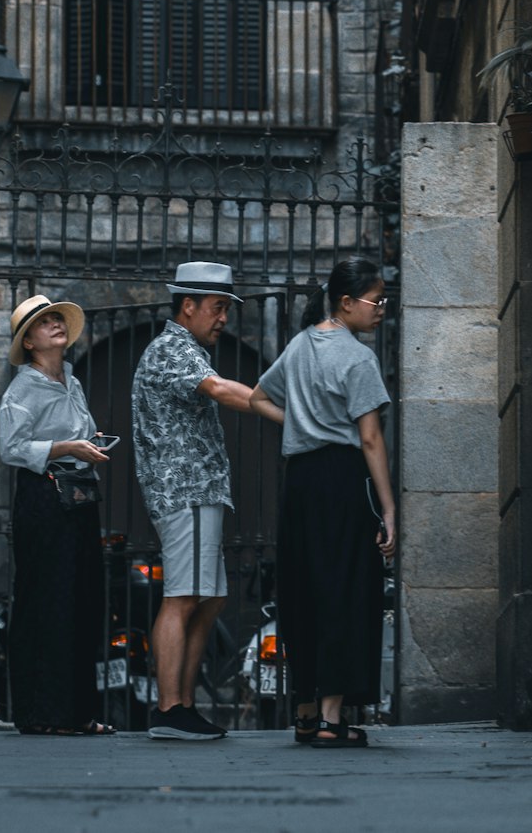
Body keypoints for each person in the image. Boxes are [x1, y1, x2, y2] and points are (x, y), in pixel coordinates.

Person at [249, 257, 396, 748]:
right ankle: (334, 718)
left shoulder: (298, 346)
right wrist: (389, 507)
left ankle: (307, 711)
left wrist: (300, 424)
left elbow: (256, 398)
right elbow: (371, 439)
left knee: (304, 588)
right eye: (376, 301)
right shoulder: (357, 358)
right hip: (341, 477)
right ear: (347, 302)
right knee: (344, 589)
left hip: (301, 481)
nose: (382, 309)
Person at [131, 261, 255, 740]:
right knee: (183, 597)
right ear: (189, 306)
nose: (223, 318)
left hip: (197, 490)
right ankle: (170, 710)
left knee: (210, 597)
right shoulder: (171, 348)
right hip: (186, 490)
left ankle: (180, 705)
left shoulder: (183, 350)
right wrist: (287, 409)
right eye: (218, 307)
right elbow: (220, 390)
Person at [0, 292, 115, 736]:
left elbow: (77, 430)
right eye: (45, 323)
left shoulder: (72, 378)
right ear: (29, 341)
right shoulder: (22, 388)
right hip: (43, 499)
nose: (56, 326)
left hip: (78, 496)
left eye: (57, 320)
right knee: (47, 601)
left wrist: (91, 440)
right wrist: (67, 447)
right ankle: (42, 713)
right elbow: (11, 448)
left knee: (82, 600)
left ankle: (78, 712)